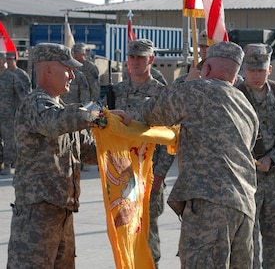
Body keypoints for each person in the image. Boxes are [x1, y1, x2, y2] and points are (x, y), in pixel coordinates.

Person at [6, 43, 130, 268]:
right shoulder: (36, 105)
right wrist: (100, 116)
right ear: (47, 70)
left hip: (62, 213)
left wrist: (125, 143)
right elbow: (55, 123)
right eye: (67, 69)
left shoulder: (63, 109)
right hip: (37, 215)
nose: (73, 75)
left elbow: (91, 152)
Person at [142, 41, 260, 268]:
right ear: (235, 77)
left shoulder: (196, 89)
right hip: (244, 209)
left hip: (210, 207)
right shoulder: (245, 105)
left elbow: (151, 112)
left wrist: (186, 82)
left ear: (205, 69)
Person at [105, 39, 174, 268]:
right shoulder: (115, 92)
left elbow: (168, 136)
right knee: (123, 232)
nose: (135, 62)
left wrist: (160, 175)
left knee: (146, 232)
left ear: (151, 60)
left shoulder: (161, 93)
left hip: (148, 175)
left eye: (141, 58)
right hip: (121, 174)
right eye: (132, 57)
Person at [239, 43, 275, 269]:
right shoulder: (236, 94)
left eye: (260, 70)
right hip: (245, 180)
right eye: (251, 70)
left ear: (269, 69)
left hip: (273, 179)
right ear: (244, 69)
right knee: (247, 242)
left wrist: (272, 158)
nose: (256, 75)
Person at [0, 52, 27, 175]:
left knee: (9, 141)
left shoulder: (12, 77)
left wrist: (19, 112)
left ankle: (7, 164)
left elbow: (22, 96)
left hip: (8, 115)